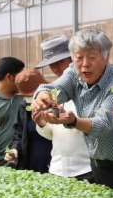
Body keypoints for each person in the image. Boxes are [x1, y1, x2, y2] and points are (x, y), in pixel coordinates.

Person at [32, 29, 113, 194]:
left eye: (92, 57)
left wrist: (73, 121)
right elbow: (55, 89)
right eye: (79, 57)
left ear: (106, 57)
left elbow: (103, 124)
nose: (85, 64)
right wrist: (43, 95)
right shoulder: (73, 72)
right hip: (96, 165)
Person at [33, 35, 93, 181]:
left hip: (86, 169)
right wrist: (42, 123)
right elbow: (50, 135)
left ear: (73, 58)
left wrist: (73, 121)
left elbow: (99, 126)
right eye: (51, 64)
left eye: (59, 61)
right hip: (57, 170)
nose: (55, 68)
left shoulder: (90, 89)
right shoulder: (51, 92)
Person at [5, 69, 53, 173]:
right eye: (25, 96)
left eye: (31, 95)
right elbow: (19, 134)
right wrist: (14, 149)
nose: (29, 98)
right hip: (31, 162)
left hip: (54, 160)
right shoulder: (24, 106)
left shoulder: (56, 104)